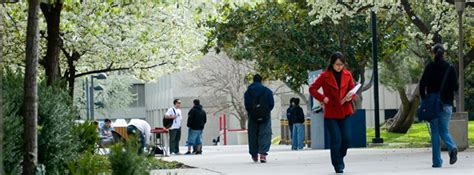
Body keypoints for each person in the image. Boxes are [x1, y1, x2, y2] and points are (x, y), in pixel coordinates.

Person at [309, 52, 356, 173]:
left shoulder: (348, 74)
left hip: (345, 110)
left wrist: (351, 96)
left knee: (346, 139)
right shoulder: (325, 75)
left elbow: (353, 89)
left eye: (341, 64)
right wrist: (322, 98)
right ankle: (338, 165)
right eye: (337, 64)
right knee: (335, 139)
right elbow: (312, 89)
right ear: (332, 63)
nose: (339, 67)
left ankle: (339, 156)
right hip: (331, 112)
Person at [419, 43, 458, 168]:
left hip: (433, 104)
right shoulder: (450, 68)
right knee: (444, 130)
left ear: (433, 53)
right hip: (446, 104)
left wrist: (425, 99)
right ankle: (452, 147)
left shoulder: (430, 67)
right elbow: (455, 87)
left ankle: (437, 162)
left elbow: (422, 85)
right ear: (444, 53)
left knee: (435, 131)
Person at [244, 74, 274, 163]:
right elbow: (271, 104)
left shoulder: (248, 92)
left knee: (253, 135)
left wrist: (251, 111)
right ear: (261, 81)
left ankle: (254, 155)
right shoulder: (267, 91)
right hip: (265, 116)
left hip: (252, 116)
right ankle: (263, 154)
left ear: (253, 80)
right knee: (265, 134)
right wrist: (266, 111)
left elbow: (247, 105)